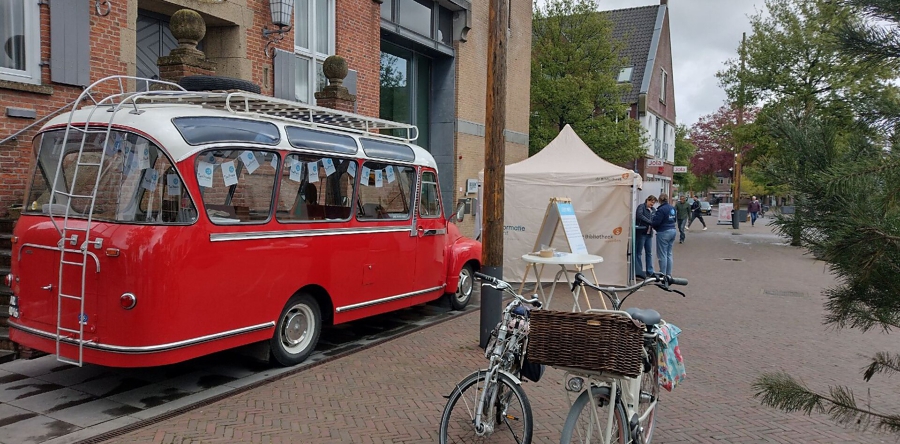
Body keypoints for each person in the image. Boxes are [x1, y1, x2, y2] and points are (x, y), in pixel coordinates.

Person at [652, 193, 677, 276]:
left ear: (660, 200)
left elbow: (656, 222)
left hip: (663, 232)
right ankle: (669, 274)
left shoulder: (661, 210)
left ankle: (662, 274)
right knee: (669, 254)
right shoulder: (672, 208)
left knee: (662, 254)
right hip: (673, 230)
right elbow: (674, 219)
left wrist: (654, 226)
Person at [634, 195, 657, 279]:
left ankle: (650, 271)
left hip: (649, 234)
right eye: (651, 202)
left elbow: (655, 219)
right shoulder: (641, 207)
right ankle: (639, 272)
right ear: (647, 200)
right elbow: (639, 215)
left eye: (654, 203)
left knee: (649, 253)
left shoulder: (653, 210)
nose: (652, 204)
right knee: (638, 252)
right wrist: (650, 222)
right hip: (641, 233)